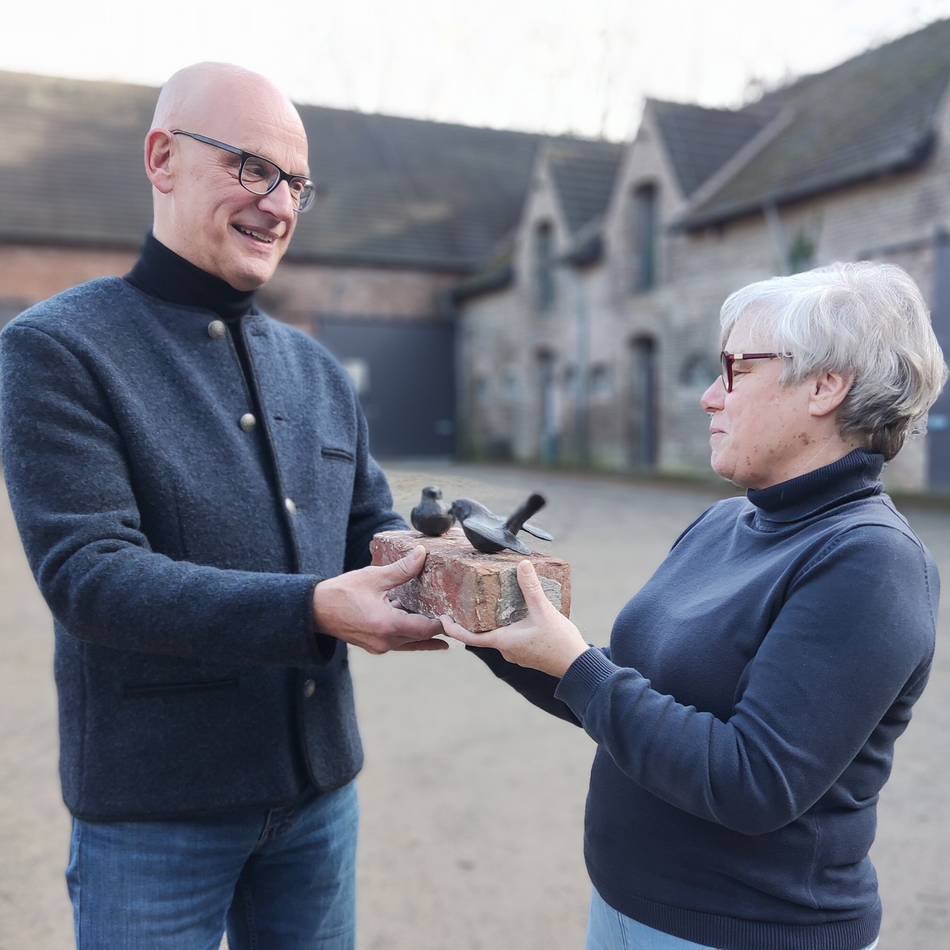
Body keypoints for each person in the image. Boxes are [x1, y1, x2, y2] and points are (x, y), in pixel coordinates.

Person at [0, 62, 446, 949]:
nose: (278, 203)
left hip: (320, 795)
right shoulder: (57, 350)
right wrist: (318, 606)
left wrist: (421, 557)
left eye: (296, 184)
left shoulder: (315, 367)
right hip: (156, 812)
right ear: (162, 159)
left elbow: (367, 520)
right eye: (251, 167)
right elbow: (93, 578)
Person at [442, 261, 947, 950]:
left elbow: (752, 781)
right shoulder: (724, 523)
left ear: (826, 385)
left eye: (736, 369)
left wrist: (578, 666)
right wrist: (489, 622)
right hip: (624, 910)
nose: (711, 397)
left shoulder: (869, 561)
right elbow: (629, 697)